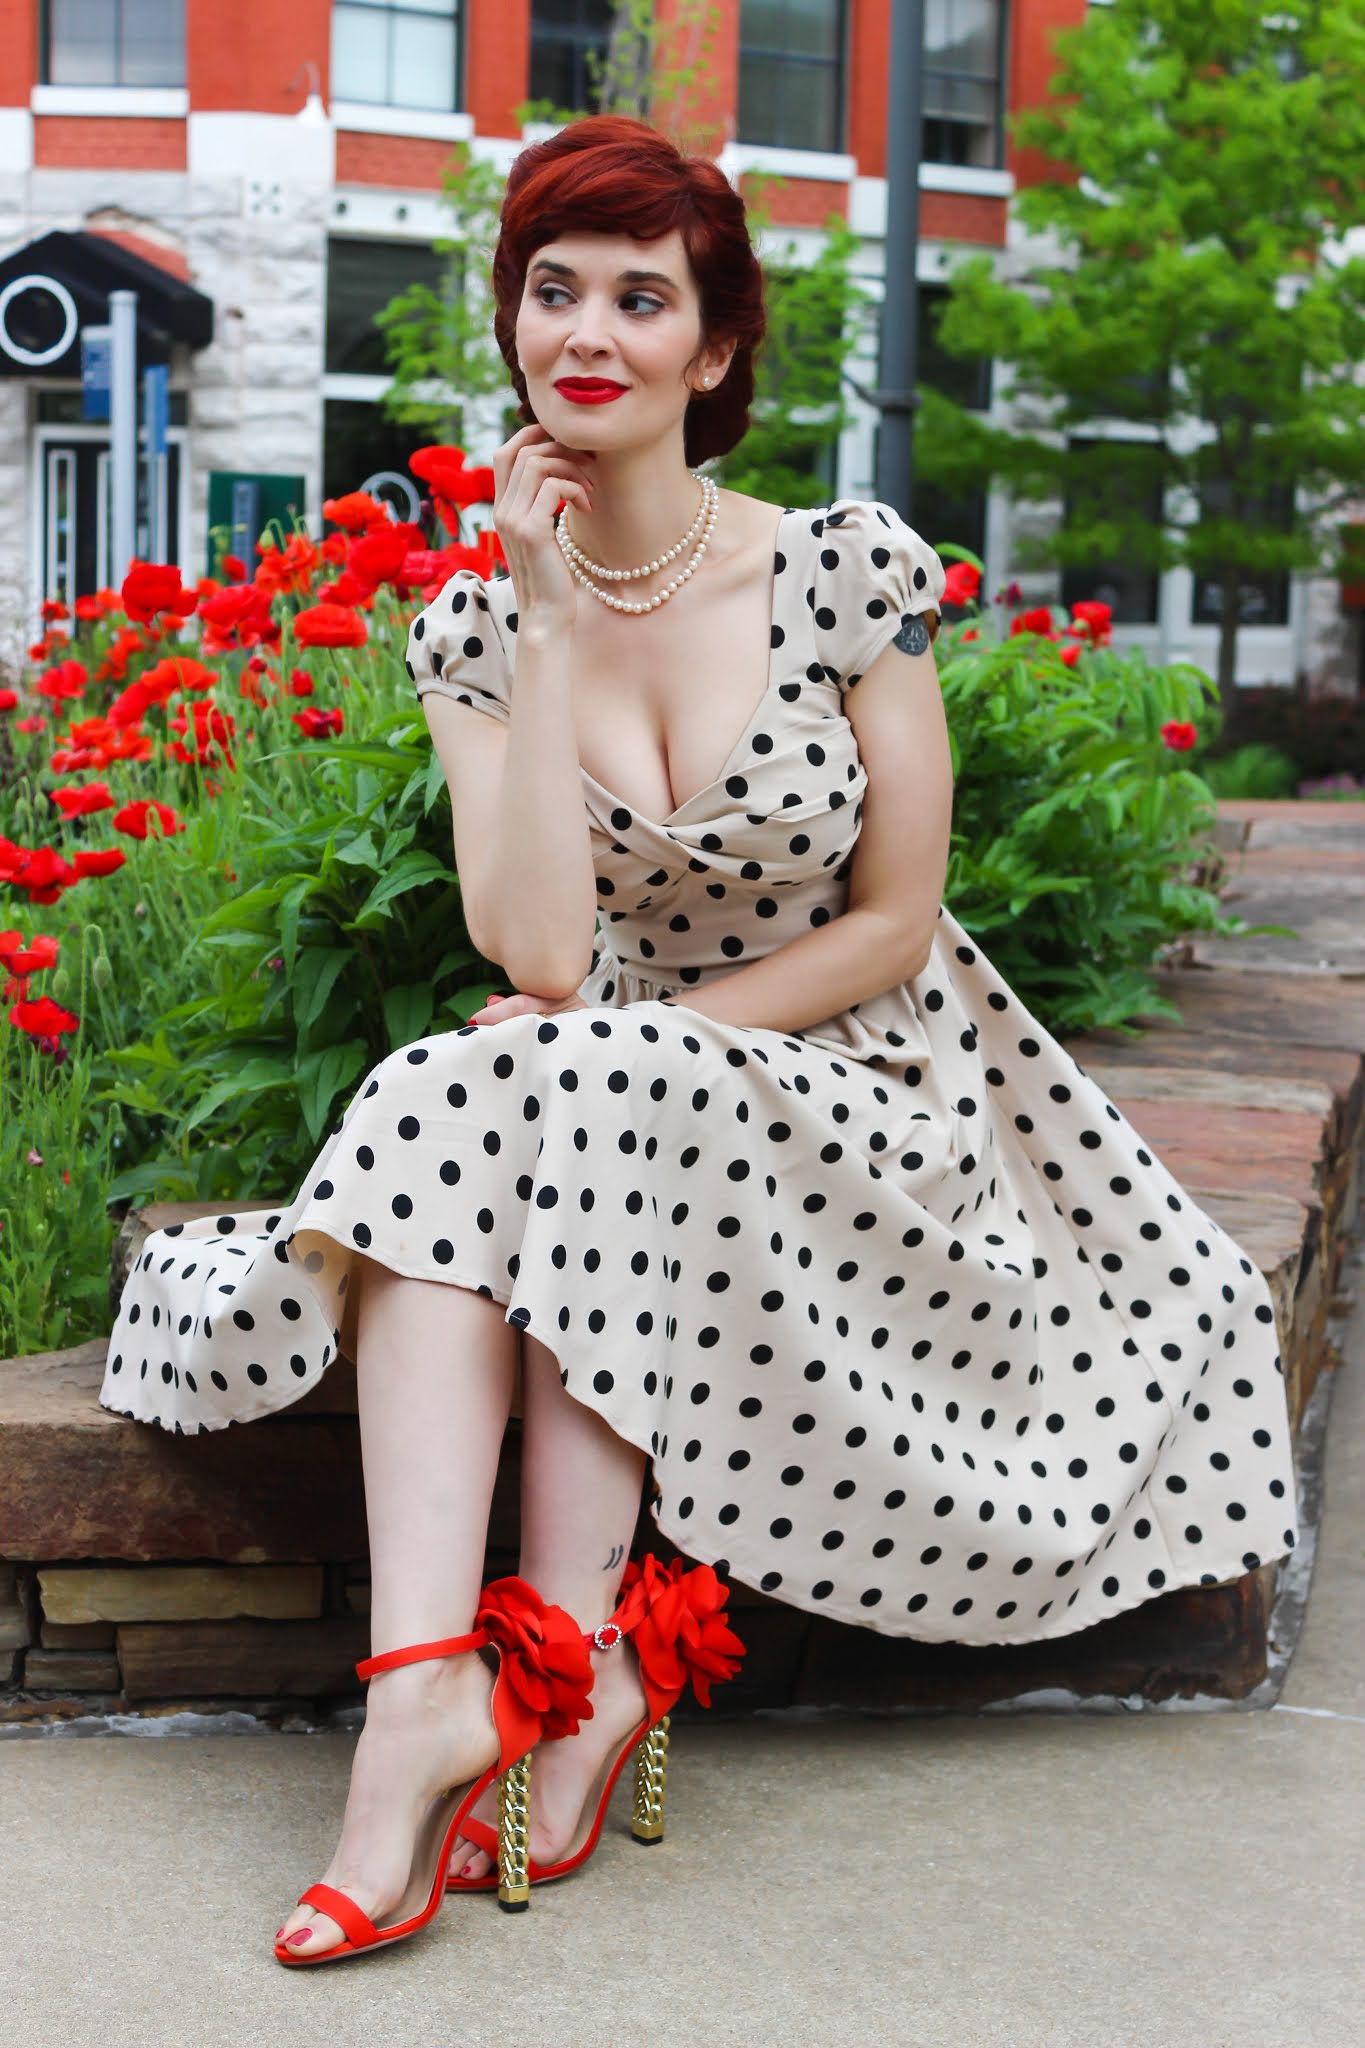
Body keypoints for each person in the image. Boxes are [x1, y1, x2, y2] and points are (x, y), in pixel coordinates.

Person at [101, 114, 1300, 1964]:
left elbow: (894, 921)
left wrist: (629, 1040)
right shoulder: (478, 620)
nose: (584, 330)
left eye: (639, 298)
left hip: (875, 1093)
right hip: (623, 1090)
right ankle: (445, 1686)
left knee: (557, 1074)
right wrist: (551, 620)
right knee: (497, 1068)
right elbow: (544, 950)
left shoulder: (838, 573)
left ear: (714, 349)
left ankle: (528, 1677)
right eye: (551, 290)